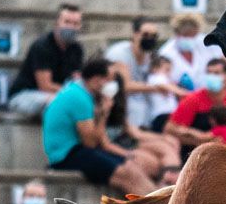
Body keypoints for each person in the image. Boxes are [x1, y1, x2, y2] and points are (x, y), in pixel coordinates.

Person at [42, 55, 160, 195]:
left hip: (78, 150)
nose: (113, 83)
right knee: (127, 174)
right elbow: (91, 142)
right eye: (110, 79)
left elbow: (97, 141)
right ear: (97, 80)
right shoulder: (78, 97)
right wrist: (104, 113)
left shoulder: (81, 92)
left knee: (133, 167)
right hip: (66, 156)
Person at [8, 4, 86, 118]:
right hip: (25, 95)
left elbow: (76, 78)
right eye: (67, 22)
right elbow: (45, 86)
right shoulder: (42, 46)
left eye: (75, 24)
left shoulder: (77, 49)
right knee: (57, 103)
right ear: (57, 24)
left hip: (59, 94)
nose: (71, 27)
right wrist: (73, 93)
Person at [170, 53, 226, 150]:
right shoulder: (192, 100)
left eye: (216, 73)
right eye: (209, 73)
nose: (212, 76)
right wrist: (199, 141)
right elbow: (171, 128)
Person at [162, 14, 216, 94]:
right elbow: (162, 81)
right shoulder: (166, 53)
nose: (189, 38)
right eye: (185, 35)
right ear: (177, 33)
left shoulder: (205, 43)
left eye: (192, 35)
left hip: (207, 96)